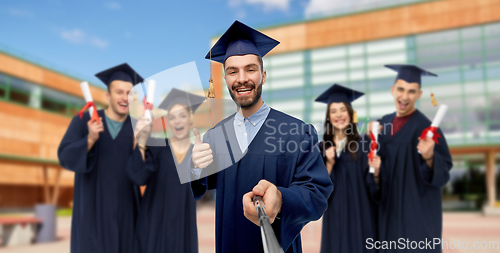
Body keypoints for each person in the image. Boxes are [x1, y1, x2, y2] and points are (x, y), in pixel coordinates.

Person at [190, 20, 333, 253]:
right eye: (232, 71)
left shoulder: (296, 132)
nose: (241, 78)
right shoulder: (216, 136)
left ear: (263, 75)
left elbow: (317, 193)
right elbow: (201, 185)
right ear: (225, 79)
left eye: (250, 69)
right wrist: (195, 167)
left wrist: (282, 197)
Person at [366, 64, 453, 252]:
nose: (405, 96)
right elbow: (371, 169)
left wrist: (430, 158)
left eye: (411, 91)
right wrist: (376, 172)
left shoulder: (428, 129)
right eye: (401, 89)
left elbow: (443, 175)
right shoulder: (382, 125)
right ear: (392, 90)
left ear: (419, 94)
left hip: (417, 218)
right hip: (388, 216)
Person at [58, 63, 143, 253]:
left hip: (126, 214)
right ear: (108, 96)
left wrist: (141, 145)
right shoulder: (85, 120)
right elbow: (64, 155)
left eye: (129, 93)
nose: (124, 98)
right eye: (119, 92)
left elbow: (147, 170)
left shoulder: (138, 127)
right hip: (92, 212)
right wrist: (89, 139)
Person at [126, 88, 205, 253]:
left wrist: (198, 165)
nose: (177, 121)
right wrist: (141, 143)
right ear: (168, 121)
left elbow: (201, 190)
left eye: (182, 116)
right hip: (153, 225)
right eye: (172, 117)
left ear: (190, 119)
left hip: (182, 226)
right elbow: (138, 176)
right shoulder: (156, 147)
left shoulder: (196, 153)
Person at [315, 84, 377, 253]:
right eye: (333, 111)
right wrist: (329, 163)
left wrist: (377, 170)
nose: (339, 115)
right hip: (335, 220)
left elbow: (374, 187)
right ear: (328, 117)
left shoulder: (363, 145)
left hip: (361, 218)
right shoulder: (321, 148)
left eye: (343, 109)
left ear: (351, 114)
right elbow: (318, 192)